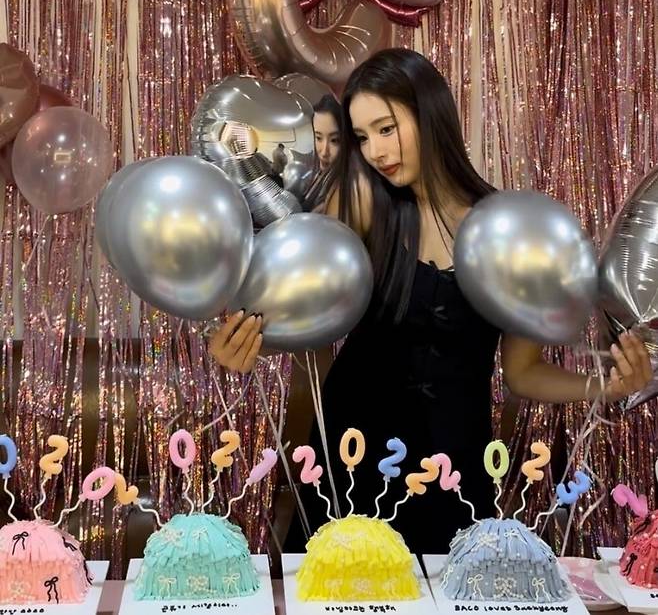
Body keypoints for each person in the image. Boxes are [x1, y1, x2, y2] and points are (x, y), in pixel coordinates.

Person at [210, 48, 652, 554]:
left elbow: (523, 373)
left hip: (453, 461)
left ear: (430, 115)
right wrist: (244, 345)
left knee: (448, 586)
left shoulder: (509, 231)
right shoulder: (360, 206)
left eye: (386, 128)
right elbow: (295, 311)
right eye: (362, 137)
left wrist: (606, 387)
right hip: (352, 452)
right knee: (337, 585)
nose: (376, 151)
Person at [302, 93, 342, 212]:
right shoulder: (318, 172)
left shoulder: (342, 191)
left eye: (335, 140)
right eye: (318, 138)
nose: (324, 152)